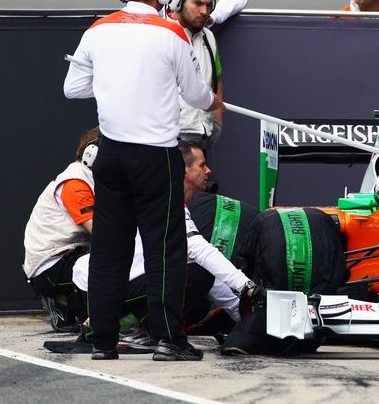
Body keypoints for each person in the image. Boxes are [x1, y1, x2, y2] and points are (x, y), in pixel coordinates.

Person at [63, 0, 224, 361]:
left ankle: (102, 342)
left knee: (109, 250)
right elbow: (196, 95)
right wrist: (213, 99)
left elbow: (73, 89)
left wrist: (117, 84)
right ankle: (169, 340)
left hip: (112, 155)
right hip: (157, 158)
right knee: (164, 249)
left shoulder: (98, 30)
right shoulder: (172, 33)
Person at [72, 141, 260, 343]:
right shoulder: (163, 200)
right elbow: (199, 251)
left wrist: (244, 318)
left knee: (192, 270)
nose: (208, 170)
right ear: (184, 170)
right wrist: (248, 286)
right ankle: (121, 327)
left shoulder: (164, 196)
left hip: (100, 285)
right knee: (196, 274)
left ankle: (125, 324)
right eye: (201, 165)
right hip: (94, 289)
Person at [23, 126, 100, 332]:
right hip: (50, 268)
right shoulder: (76, 183)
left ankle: (65, 304)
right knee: (113, 263)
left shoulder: (88, 177)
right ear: (93, 155)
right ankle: (58, 297)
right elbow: (101, 232)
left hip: (66, 258)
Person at [168, 0, 248, 149]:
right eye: (197, 3)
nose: (204, 11)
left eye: (208, 5)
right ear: (178, 1)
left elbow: (216, 79)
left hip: (202, 134)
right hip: (172, 137)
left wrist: (217, 118)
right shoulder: (163, 34)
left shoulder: (208, 36)